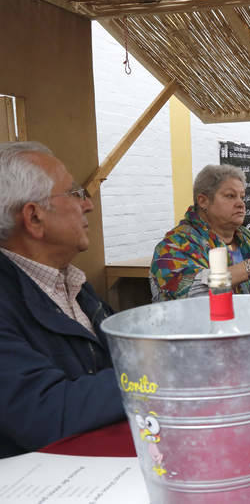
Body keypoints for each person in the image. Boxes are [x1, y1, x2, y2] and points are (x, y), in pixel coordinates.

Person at [0, 141, 125, 457]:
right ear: (34, 218)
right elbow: (44, 411)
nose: (88, 205)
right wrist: (164, 374)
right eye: (74, 193)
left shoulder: (71, 283)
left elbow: (122, 353)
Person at [150, 164, 250, 301]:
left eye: (242, 197)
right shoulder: (174, 246)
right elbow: (192, 292)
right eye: (230, 196)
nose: (241, 203)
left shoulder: (247, 238)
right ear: (203, 201)